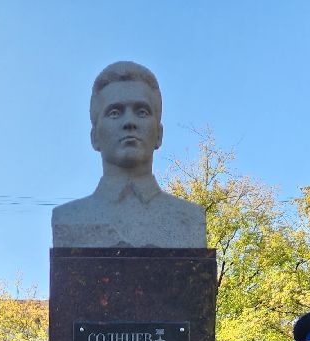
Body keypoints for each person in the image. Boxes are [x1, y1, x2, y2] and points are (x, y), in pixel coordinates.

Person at [51, 61, 207, 248]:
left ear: (159, 135)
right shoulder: (69, 218)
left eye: (141, 112)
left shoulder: (189, 219)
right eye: (115, 113)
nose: (129, 122)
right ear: (94, 137)